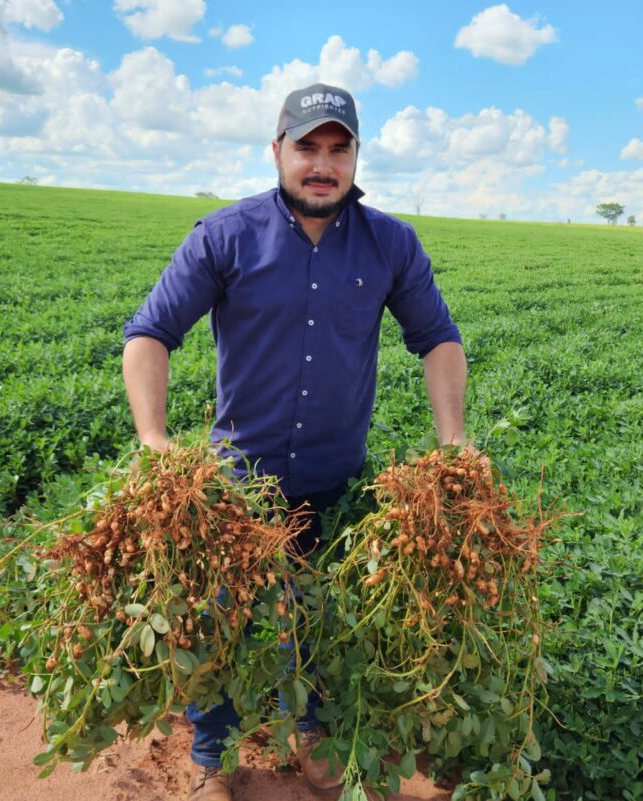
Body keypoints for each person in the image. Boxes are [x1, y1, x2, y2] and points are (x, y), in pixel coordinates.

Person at [122, 82, 471, 801]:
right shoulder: (225, 235)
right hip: (234, 484)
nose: (323, 163)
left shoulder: (391, 244)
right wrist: (153, 437)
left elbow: (437, 339)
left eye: (338, 149)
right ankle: (213, 763)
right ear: (276, 150)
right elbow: (149, 333)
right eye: (307, 146)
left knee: (317, 617)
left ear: (355, 157)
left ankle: (311, 734)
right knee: (214, 617)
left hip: (332, 483)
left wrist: (455, 440)